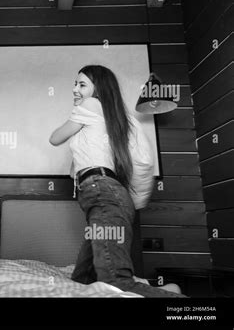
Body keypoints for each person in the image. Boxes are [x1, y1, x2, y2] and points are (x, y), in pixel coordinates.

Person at [49, 65, 185, 297]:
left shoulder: (90, 105)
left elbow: (54, 138)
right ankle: (165, 290)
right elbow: (142, 161)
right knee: (82, 279)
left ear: (98, 88)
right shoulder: (117, 119)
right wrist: (135, 203)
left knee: (115, 281)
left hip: (103, 196)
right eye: (75, 84)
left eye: (82, 84)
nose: (75, 89)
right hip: (107, 197)